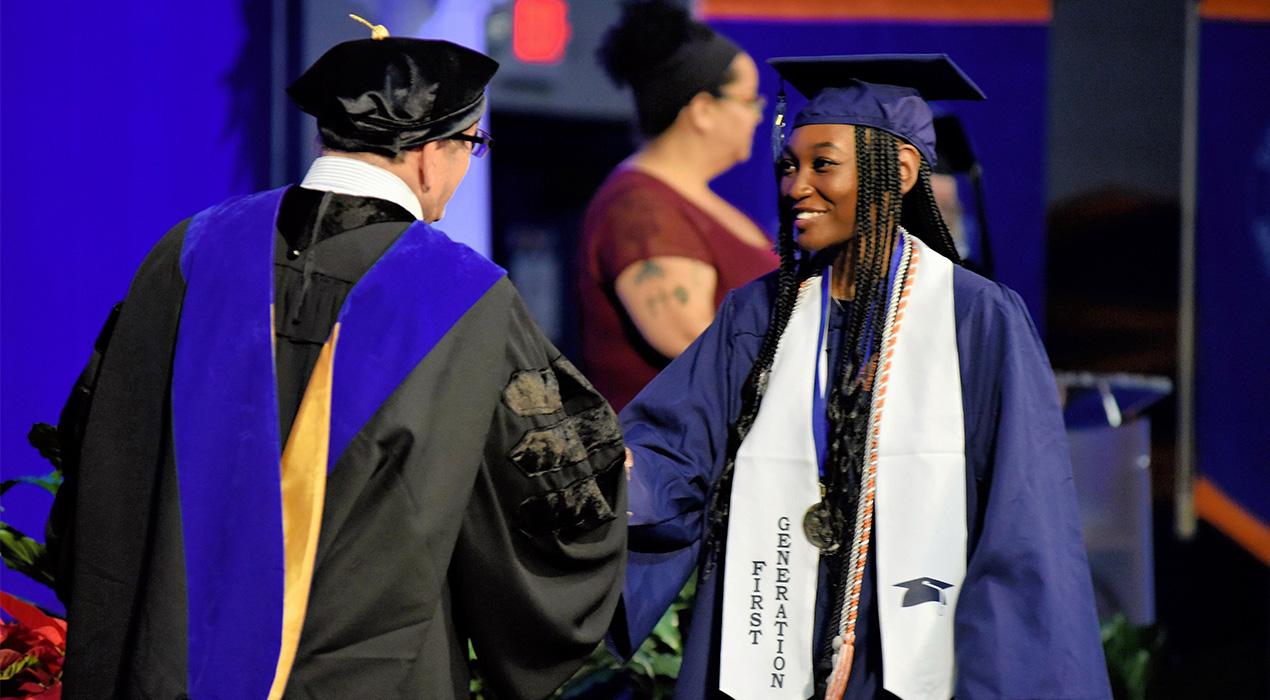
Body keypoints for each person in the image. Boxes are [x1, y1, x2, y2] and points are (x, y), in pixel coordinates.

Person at [47, 25, 627, 700]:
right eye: (474, 145)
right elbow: (550, 507)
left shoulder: (189, 253)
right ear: (431, 155)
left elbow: (96, 457)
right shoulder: (462, 295)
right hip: (372, 675)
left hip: (165, 663)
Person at [614, 55, 1110, 700]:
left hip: (909, 637)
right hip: (772, 621)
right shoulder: (758, 314)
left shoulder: (978, 319)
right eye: (790, 165)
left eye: (824, 164)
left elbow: (1022, 517)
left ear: (897, 173)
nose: (796, 186)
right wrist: (615, 468)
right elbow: (676, 451)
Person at [579, 0, 779, 412]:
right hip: (673, 468)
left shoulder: (690, 202)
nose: (757, 116)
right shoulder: (641, 209)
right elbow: (693, 342)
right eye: (748, 101)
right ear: (704, 110)